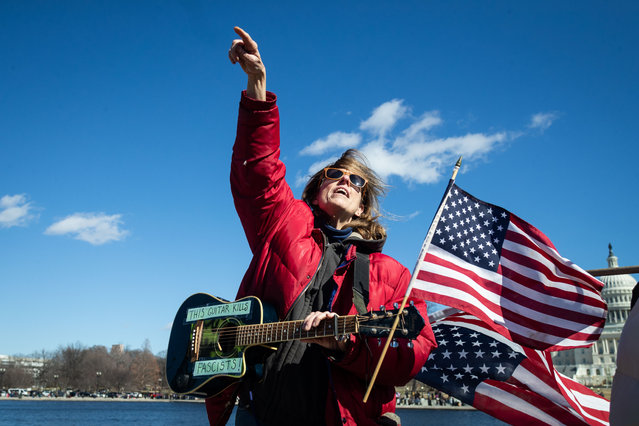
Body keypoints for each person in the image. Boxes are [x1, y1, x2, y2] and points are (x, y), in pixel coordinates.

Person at [204, 27, 436, 426]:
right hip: (260, 413)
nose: (345, 180)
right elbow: (258, 175)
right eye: (334, 174)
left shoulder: (392, 274)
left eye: (356, 180)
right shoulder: (284, 222)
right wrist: (257, 89)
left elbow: (411, 355)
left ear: (364, 204)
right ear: (316, 188)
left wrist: (345, 345)